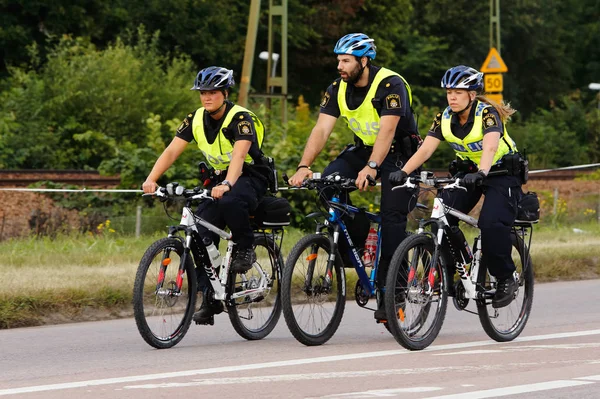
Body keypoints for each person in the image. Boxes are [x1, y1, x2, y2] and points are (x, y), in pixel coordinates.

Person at [288, 33, 421, 321]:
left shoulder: (390, 84)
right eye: (338, 60)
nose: (340, 66)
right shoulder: (337, 88)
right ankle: (360, 240)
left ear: (364, 60)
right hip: (363, 152)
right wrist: (303, 165)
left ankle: (393, 290)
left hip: (401, 156)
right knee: (327, 185)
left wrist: (373, 166)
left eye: (346, 60)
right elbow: (322, 129)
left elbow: (387, 130)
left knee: (392, 217)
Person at [142, 66, 272, 324]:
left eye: (212, 92)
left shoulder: (241, 118)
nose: (206, 97)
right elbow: (171, 151)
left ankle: (245, 248)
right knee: (201, 229)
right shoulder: (195, 118)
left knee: (231, 200)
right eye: (202, 92)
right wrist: (152, 178)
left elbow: (239, 155)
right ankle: (210, 297)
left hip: (249, 176)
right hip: (217, 179)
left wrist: (227, 183)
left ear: (225, 92)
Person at [389, 65, 524, 309]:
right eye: (449, 92)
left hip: (502, 172)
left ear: (472, 95)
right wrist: (403, 172)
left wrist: (483, 172)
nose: (452, 96)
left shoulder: (487, 114)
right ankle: (453, 271)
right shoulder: (444, 117)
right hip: (470, 174)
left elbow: (491, 147)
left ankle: (506, 277)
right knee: (443, 217)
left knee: (491, 223)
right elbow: (426, 149)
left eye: (458, 92)